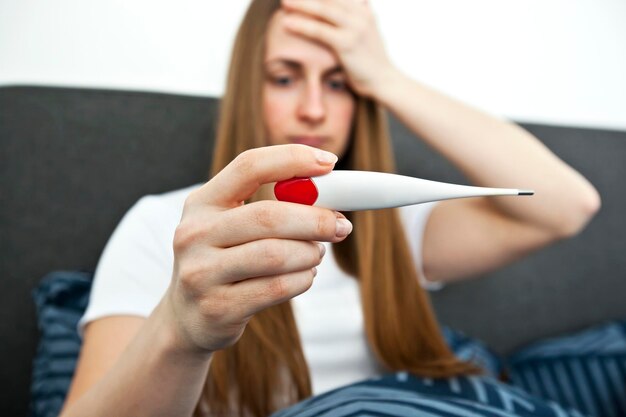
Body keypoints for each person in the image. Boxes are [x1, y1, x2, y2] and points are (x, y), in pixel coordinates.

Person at [60, 0, 601, 416]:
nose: (314, 109)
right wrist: (182, 329)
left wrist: (384, 76)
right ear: (249, 87)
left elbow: (567, 205)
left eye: (339, 83)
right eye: (285, 77)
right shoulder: (165, 226)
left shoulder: (394, 229)